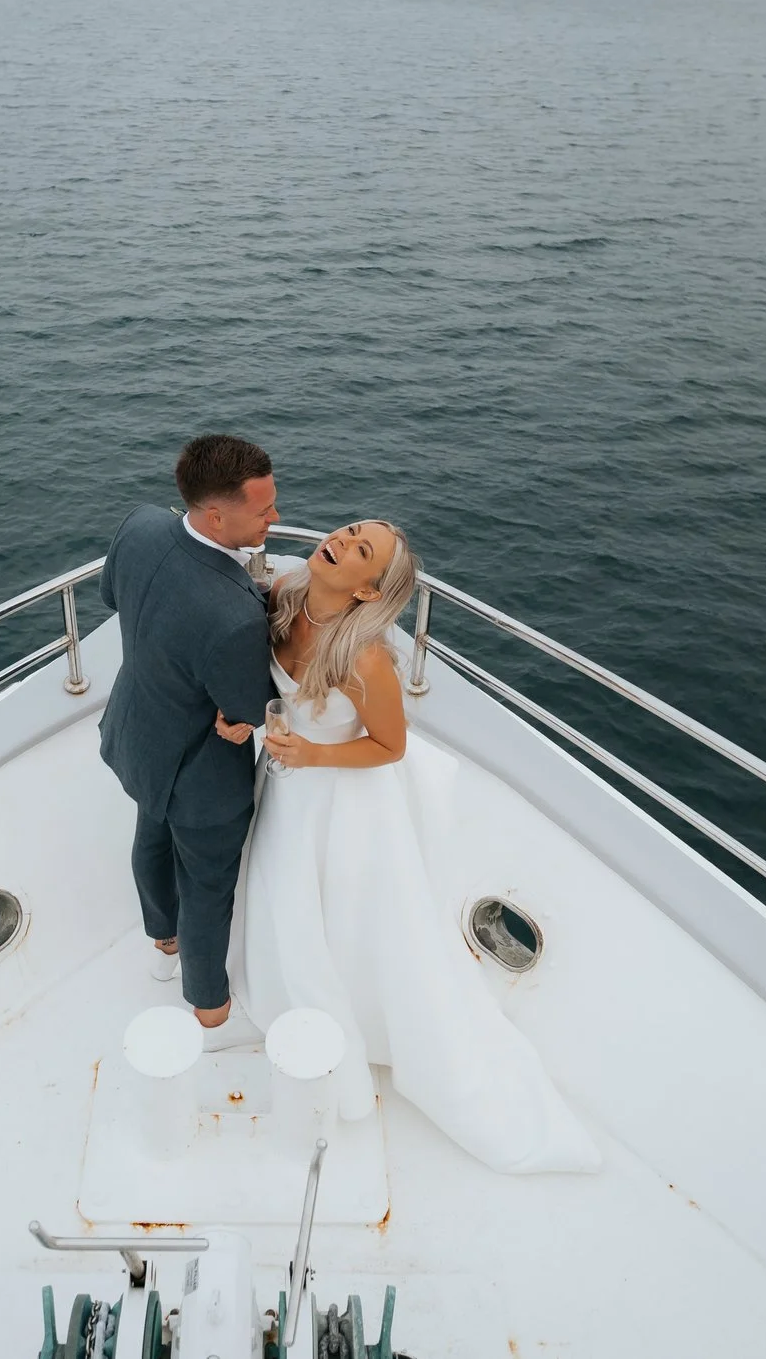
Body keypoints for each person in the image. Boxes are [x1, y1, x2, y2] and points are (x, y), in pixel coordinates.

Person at [235, 519, 601, 1175]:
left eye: (361, 550)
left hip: (340, 795)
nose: (341, 543)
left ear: (369, 587)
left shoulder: (364, 657)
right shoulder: (285, 588)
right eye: (347, 531)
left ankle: (360, 1024)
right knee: (284, 895)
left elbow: (389, 745)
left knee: (341, 916)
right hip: (289, 786)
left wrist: (312, 751)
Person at [97, 435, 280, 1031]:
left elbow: (111, 598)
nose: (276, 517)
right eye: (264, 510)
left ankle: (163, 938)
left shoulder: (141, 526)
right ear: (216, 514)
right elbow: (250, 707)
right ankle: (209, 1004)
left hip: (134, 732)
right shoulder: (233, 618)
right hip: (199, 778)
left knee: (150, 833)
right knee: (207, 885)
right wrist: (247, 712)